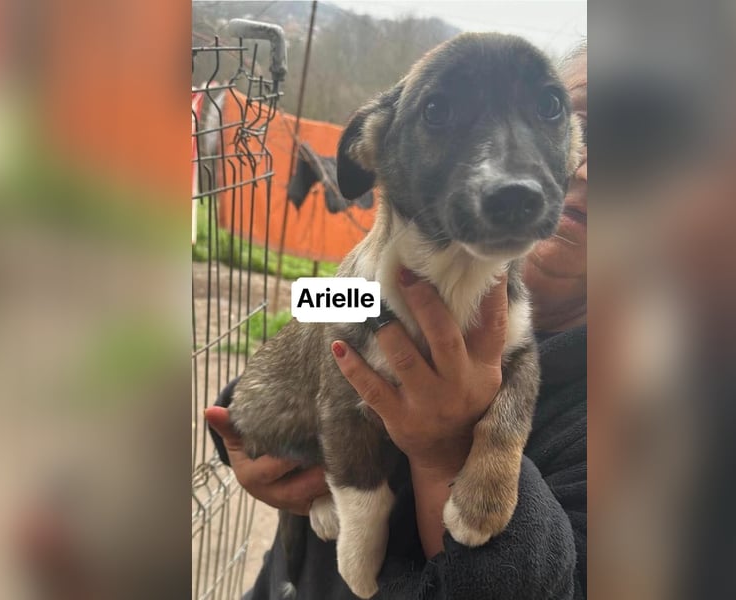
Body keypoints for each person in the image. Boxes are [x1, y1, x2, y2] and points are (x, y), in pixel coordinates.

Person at [206, 44, 587, 600]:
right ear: (377, 144)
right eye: (440, 113)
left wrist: (445, 448)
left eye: (549, 109)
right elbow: (295, 352)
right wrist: (246, 444)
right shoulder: (356, 281)